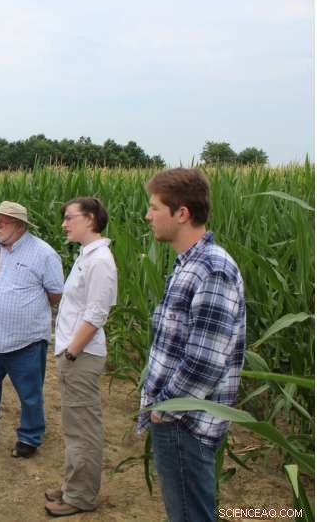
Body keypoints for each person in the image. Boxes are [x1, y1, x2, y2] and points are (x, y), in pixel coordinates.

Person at [137, 169, 246, 522]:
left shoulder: (212, 269)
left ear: (182, 213)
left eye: (154, 208)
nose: (148, 215)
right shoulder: (189, 264)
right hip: (177, 416)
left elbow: (204, 361)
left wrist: (163, 409)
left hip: (186, 422)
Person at [0, 201, 64, 458]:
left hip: (25, 340)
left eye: (3, 220)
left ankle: (29, 437)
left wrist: (25, 311)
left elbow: (56, 293)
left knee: (29, 393)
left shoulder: (44, 253)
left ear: (19, 225)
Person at [44, 197, 118, 517]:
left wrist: (72, 351)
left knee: (83, 428)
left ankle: (81, 497)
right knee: (74, 426)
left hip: (81, 355)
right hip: (73, 353)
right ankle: (73, 484)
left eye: (69, 218)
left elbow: (97, 313)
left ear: (90, 219)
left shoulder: (100, 260)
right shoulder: (87, 256)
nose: (64, 223)